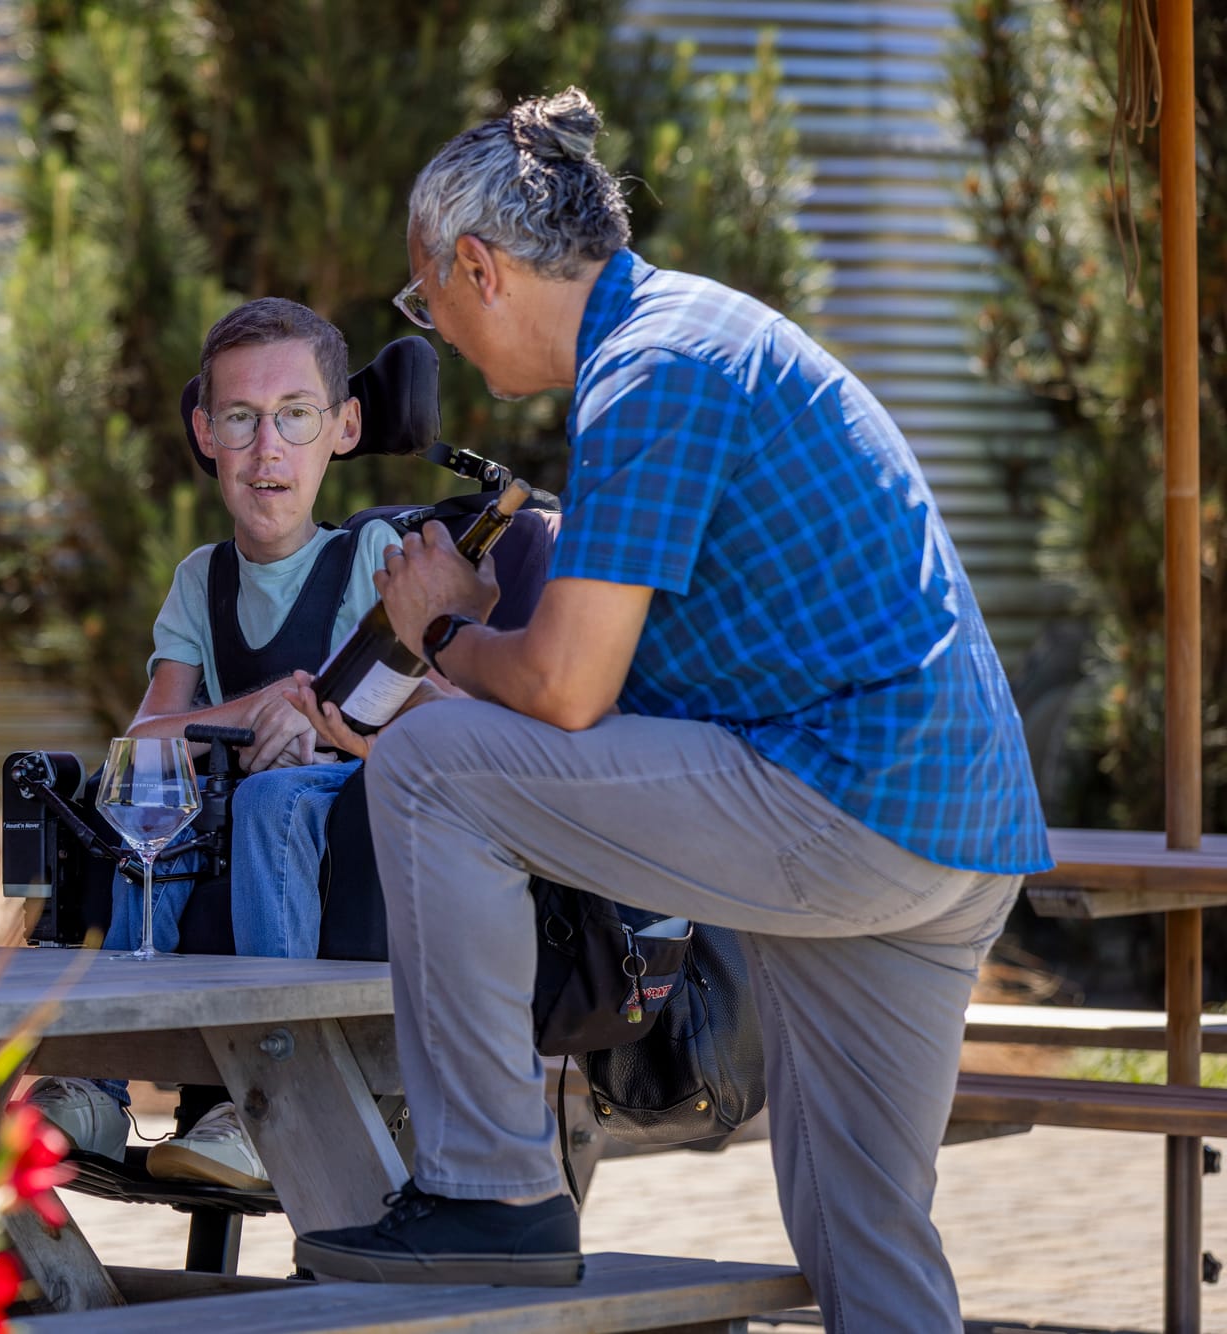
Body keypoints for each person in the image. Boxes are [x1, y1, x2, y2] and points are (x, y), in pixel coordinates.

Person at [283, 90, 1052, 1327]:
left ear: (477, 268)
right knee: (862, 1226)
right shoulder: (697, 335)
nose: (444, 336)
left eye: (428, 305)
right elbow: (630, 667)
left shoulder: (646, 369)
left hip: (842, 799)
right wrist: (492, 618)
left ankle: (490, 1188)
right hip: (955, 831)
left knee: (426, 761)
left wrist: (438, 631)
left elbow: (564, 691)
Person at [26, 298, 413, 1191]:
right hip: (237, 801)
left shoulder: (373, 557)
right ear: (205, 432)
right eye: (239, 418)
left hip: (345, 807)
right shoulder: (202, 579)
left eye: (295, 417)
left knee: (273, 798)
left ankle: (276, 1089)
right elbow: (148, 738)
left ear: (343, 427)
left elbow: (428, 710)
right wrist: (258, 706)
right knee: (140, 795)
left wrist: (316, 722)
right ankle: (95, 1086)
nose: (266, 446)